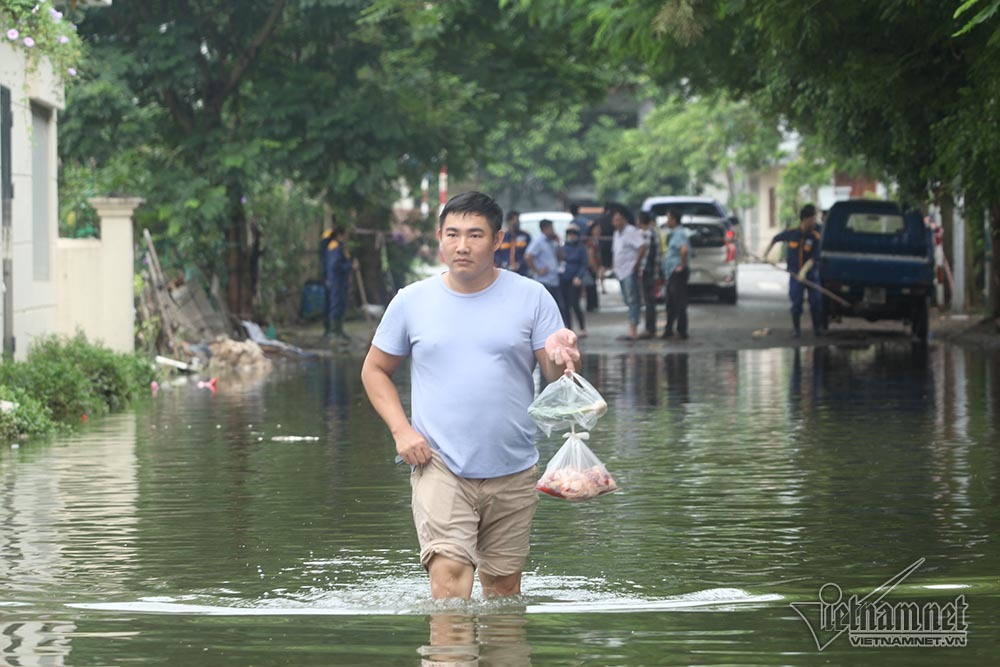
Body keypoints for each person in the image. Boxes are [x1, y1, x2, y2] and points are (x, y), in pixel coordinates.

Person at [360, 191, 580, 600]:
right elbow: (374, 370)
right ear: (439, 236)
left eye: (476, 235)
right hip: (438, 463)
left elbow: (552, 374)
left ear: (498, 240)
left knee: (502, 591)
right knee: (449, 580)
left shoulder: (532, 297)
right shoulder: (412, 301)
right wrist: (401, 431)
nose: (463, 246)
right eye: (453, 234)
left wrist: (562, 354)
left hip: (513, 466)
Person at [764, 203, 824, 337]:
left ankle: (817, 329)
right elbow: (775, 239)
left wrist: (804, 272)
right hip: (794, 275)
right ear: (806, 219)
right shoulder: (792, 233)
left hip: (810, 274)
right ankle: (796, 329)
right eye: (813, 218)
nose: (815, 221)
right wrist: (765, 255)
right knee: (796, 302)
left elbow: (814, 257)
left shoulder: (815, 236)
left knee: (816, 302)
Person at [610, 203, 647, 341]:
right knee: (627, 299)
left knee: (633, 300)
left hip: (629, 270)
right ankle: (632, 327)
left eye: (619, 219)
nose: (617, 222)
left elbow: (642, 246)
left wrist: (636, 264)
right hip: (620, 271)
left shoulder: (631, 231)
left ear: (624, 219)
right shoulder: (616, 234)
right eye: (615, 220)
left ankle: (633, 330)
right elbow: (616, 252)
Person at [524, 218, 566, 323]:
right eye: (551, 228)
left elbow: (560, 257)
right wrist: (537, 270)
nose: (553, 230)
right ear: (545, 229)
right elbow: (528, 256)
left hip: (554, 279)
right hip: (544, 280)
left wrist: (559, 243)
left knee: (559, 307)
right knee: (547, 308)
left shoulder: (552, 241)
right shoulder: (538, 241)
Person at [321, 225, 356, 340]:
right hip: (336, 281)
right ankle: (333, 331)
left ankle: (339, 330)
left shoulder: (341, 247)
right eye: (346, 234)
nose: (347, 237)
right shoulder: (334, 247)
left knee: (341, 304)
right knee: (335, 304)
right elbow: (335, 266)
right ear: (340, 235)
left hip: (341, 281)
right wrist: (350, 266)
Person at [660, 208, 690, 340]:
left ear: (674, 220)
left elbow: (684, 250)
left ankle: (681, 331)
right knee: (670, 302)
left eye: (668, 218)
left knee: (678, 302)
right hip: (671, 272)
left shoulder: (679, 234)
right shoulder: (674, 233)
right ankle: (669, 329)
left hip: (676, 272)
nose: (667, 221)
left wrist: (681, 266)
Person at [636, 211, 662, 339]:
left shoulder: (646, 233)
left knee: (648, 301)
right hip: (653, 271)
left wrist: (638, 268)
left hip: (647, 271)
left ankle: (650, 329)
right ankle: (651, 328)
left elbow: (644, 254)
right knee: (651, 300)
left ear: (640, 221)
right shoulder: (655, 232)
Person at [559, 223, 588, 337]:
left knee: (575, 304)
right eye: (569, 234)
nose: (571, 236)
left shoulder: (581, 248)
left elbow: (584, 264)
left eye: (573, 234)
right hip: (563, 278)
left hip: (575, 279)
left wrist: (579, 276)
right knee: (564, 305)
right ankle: (568, 328)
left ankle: (582, 327)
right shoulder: (563, 247)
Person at [494, 210, 530, 275]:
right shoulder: (502, 237)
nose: (517, 223)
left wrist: (520, 264)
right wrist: (502, 263)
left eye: (518, 220)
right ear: (509, 221)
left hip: (521, 272)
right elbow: (495, 253)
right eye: (515, 220)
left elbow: (529, 254)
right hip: (505, 272)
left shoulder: (525, 236)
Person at [585, 221, 602, 311]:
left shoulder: (596, 240)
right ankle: (591, 305)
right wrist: (594, 267)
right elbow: (590, 256)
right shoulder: (591, 241)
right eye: (596, 229)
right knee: (591, 287)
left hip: (594, 266)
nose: (598, 231)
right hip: (591, 267)